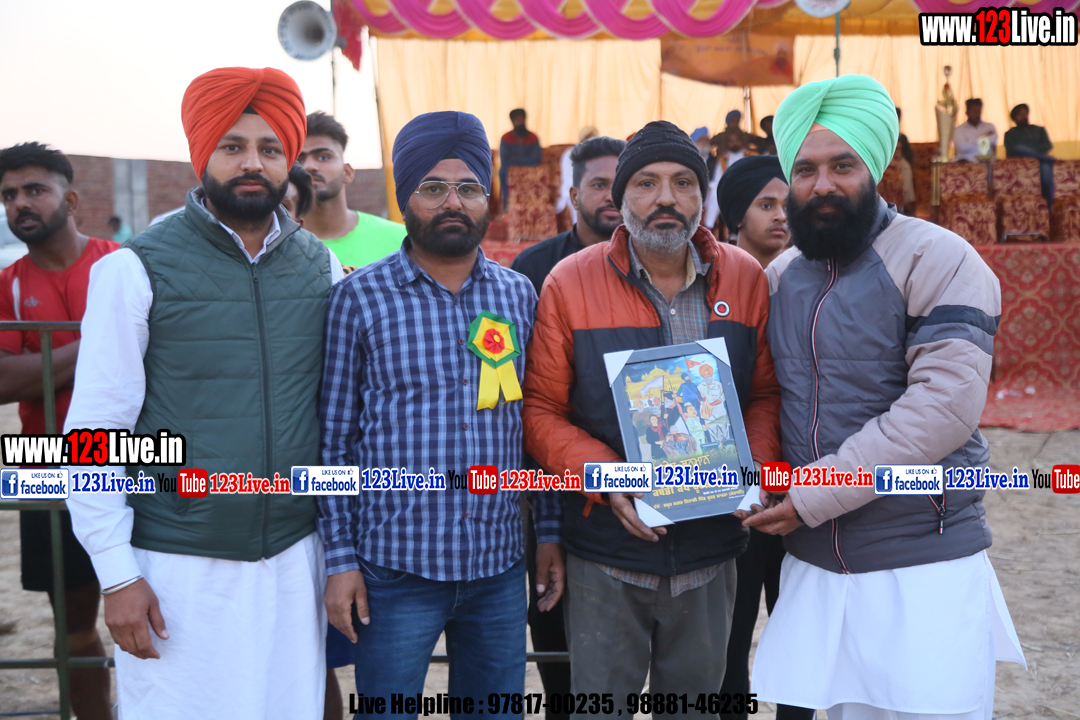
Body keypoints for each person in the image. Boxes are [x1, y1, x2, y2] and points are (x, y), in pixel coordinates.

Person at [63, 67, 345, 720]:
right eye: (232, 146)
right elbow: (94, 434)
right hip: (175, 567)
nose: (252, 163)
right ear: (202, 153)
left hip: (293, 561)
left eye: (270, 148)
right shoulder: (134, 269)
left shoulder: (320, 266)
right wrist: (118, 573)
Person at [745, 73, 1025, 719]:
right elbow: (761, 396)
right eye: (806, 169)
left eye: (842, 165)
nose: (822, 184)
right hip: (815, 560)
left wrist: (813, 494)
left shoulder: (939, 259)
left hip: (919, 560)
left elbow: (942, 409)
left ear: (876, 167)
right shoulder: (779, 277)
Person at [522, 120, 782, 718]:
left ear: (702, 196)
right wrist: (606, 477)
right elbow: (540, 410)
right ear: (621, 198)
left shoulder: (744, 277)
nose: (666, 198)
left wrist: (752, 471)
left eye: (683, 183)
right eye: (646, 183)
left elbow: (766, 395)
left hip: (713, 551)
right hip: (608, 555)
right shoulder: (570, 281)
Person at [319, 110, 563, 719]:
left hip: (497, 566)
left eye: (468, 188)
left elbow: (536, 424)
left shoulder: (518, 295)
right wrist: (340, 561)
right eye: (433, 188)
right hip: (393, 568)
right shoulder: (358, 298)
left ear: (487, 198)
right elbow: (333, 442)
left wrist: (549, 534)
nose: (453, 202)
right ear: (405, 198)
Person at [0, 142, 117, 720]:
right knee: (73, 628)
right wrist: (103, 339)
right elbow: (4, 380)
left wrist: (45, 361)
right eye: (9, 195)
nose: (20, 203)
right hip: (47, 465)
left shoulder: (122, 264)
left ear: (69, 200)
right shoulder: (6, 284)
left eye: (34, 190)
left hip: (138, 458)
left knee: (171, 611)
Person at [713, 153, 811, 720]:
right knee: (731, 625)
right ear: (734, 217)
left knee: (797, 622)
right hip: (735, 487)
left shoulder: (815, 277)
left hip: (804, 481)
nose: (781, 216)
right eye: (765, 204)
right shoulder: (712, 286)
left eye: (786, 204)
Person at [512, 135, 626, 295]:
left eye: (620, 186)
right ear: (574, 197)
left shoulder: (651, 265)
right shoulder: (532, 265)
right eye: (599, 185)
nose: (612, 197)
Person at [299, 111, 405, 267]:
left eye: (323, 157)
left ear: (347, 173)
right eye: (299, 160)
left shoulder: (402, 241)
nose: (309, 166)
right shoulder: (271, 245)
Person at [717, 155, 790, 269]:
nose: (781, 217)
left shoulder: (809, 276)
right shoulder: (711, 276)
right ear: (737, 215)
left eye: (788, 207)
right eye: (766, 206)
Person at [1004, 103, 1055, 207]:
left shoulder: (1039, 130)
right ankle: (1046, 158)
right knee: (1020, 148)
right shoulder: (1010, 133)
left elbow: (1048, 145)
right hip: (1022, 160)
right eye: (1020, 114)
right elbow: (1010, 150)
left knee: (1046, 168)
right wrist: (1032, 152)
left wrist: (1032, 152)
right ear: (1014, 118)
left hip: (1041, 161)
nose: (1024, 116)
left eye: (1025, 114)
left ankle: (1049, 205)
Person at [499, 108, 543, 209]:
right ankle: (507, 203)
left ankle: (536, 203)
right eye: (516, 120)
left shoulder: (533, 137)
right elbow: (504, 160)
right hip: (511, 168)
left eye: (521, 119)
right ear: (512, 121)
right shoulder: (506, 138)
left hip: (530, 168)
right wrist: (525, 160)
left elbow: (537, 159)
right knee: (502, 172)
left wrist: (515, 159)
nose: (519, 122)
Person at [556, 125, 598, 224]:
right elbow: (569, 179)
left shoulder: (598, 155)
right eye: (588, 137)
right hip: (575, 190)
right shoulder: (570, 154)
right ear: (582, 139)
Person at [953, 98, 997, 162]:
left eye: (979, 112)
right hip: (967, 164)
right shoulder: (959, 130)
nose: (977, 114)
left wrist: (970, 142)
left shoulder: (989, 126)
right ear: (967, 112)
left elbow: (994, 139)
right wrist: (984, 138)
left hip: (987, 163)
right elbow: (962, 147)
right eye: (974, 112)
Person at [895, 107, 916, 215]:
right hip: (884, 163)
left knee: (906, 166)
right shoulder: (880, 135)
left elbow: (909, 155)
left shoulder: (902, 137)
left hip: (900, 164)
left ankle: (907, 203)